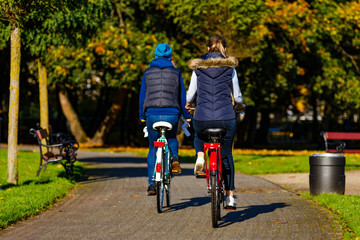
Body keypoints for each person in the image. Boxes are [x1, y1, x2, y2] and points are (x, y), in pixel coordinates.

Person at [186, 35, 245, 209]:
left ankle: (200, 156)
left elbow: (190, 95)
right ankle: (230, 197)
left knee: (198, 135)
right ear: (224, 49)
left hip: (202, 117)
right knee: (226, 155)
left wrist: (189, 105)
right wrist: (240, 106)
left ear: (207, 49)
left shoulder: (198, 68)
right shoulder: (230, 68)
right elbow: (238, 96)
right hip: (226, 118)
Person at [139, 43, 192, 196]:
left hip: (152, 114)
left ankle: (151, 184)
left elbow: (143, 96)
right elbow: (182, 97)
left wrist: (142, 116)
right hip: (172, 113)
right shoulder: (176, 73)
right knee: (171, 137)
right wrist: (187, 116)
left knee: (152, 147)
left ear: (155, 55)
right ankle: (174, 157)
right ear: (170, 56)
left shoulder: (147, 72)